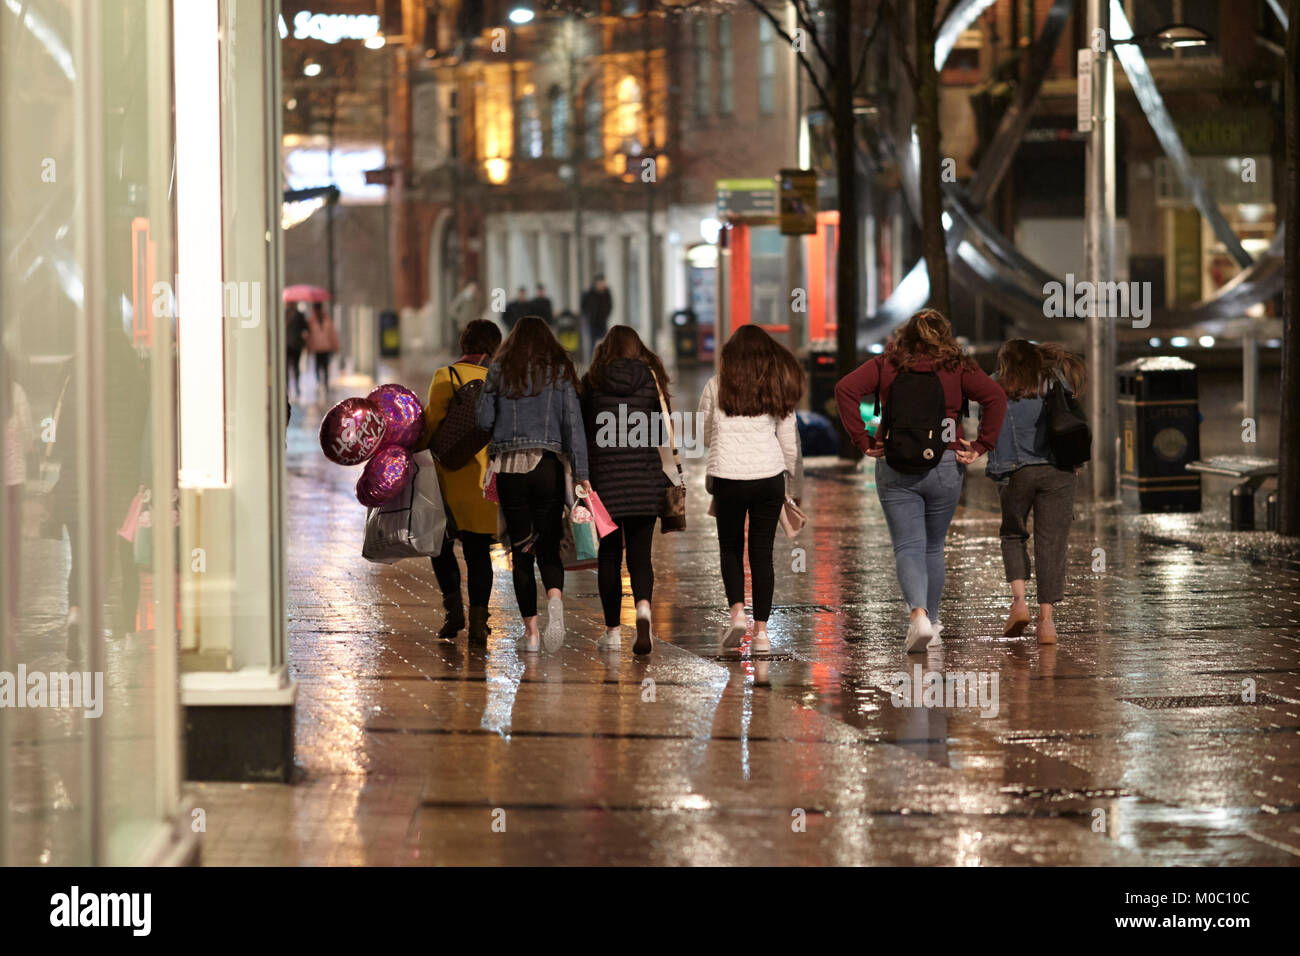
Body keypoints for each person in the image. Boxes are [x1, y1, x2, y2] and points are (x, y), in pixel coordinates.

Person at [834, 309, 1007, 653]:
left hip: (896, 462)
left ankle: (918, 616)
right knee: (932, 546)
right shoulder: (958, 366)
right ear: (944, 335)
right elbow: (995, 397)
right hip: (945, 462)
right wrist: (982, 445)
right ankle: (934, 622)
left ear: (905, 335)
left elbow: (845, 390)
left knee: (908, 546)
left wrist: (863, 439)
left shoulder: (888, 363)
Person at [477, 315, 590, 653]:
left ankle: (532, 634)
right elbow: (574, 425)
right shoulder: (558, 371)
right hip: (548, 467)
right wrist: (582, 475)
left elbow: (483, 420)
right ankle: (556, 607)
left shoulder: (499, 369)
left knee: (521, 552)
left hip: (511, 470)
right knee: (549, 545)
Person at [698, 325, 803, 656]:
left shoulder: (716, 386)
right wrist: (788, 479)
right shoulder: (777, 388)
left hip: (727, 478)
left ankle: (737, 613)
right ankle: (761, 634)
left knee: (730, 548)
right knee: (762, 554)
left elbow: (703, 434)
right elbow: (789, 444)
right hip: (768, 478)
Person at [988, 340, 1087, 645]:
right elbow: (1073, 418)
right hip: (1058, 471)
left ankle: (1019, 603)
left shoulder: (994, 387)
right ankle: (1047, 623)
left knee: (1013, 535)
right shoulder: (1055, 380)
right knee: (1052, 545)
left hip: (1015, 472)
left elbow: (987, 430)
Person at [581, 325, 672, 655]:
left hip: (605, 483)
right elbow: (661, 432)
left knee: (608, 556)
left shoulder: (592, 381)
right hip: (645, 480)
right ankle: (644, 609)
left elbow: (583, 429)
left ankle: (613, 632)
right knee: (640, 557)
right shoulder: (650, 379)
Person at [421, 319, 503, 645]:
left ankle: (454, 612)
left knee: (440, 548)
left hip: (446, 480)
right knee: (479, 553)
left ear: (464, 346)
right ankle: (480, 623)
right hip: (484, 481)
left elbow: (429, 428)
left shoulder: (446, 376)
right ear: (491, 350)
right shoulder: (499, 383)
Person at [5, 352, 32, 638]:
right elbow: (28, 437)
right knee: (12, 549)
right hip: (14, 483)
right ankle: (10, 615)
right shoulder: (18, 394)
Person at [305, 301, 339, 397]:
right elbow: (310, 336)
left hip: (324, 348)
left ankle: (324, 384)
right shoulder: (313, 321)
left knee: (323, 367)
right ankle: (321, 384)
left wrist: (335, 345)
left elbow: (332, 334)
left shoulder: (323, 320)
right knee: (320, 367)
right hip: (320, 348)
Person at [580, 275, 613, 358]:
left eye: (603, 282)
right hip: (592, 322)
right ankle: (591, 360)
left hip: (603, 321)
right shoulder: (589, 293)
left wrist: (606, 315)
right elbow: (583, 306)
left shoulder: (607, 293)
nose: (601, 285)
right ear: (596, 283)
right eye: (600, 283)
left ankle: (605, 359)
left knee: (605, 341)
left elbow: (610, 305)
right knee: (592, 342)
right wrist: (588, 315)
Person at [284, 303, 308, 400]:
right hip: (297, 345)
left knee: (286, 368)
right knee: (295, 367)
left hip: (286, 345)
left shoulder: (284, 314)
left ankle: (288, 389)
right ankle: (297, 389)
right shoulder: (299, 315)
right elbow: (306, 329)